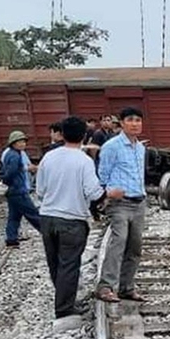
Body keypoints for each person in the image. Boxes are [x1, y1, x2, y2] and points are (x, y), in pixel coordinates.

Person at [36, 117, 109, 319]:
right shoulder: (83, 161)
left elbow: (40, 190)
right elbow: (93, 192)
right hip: (72, 218)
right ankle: (64, 308)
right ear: (84, 135)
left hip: (48, 216)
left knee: (54, 263)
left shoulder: (48, 157)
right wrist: (107, 195)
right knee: (69, 264)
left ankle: (62, 298)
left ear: (61, 134)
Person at [95, 107, 147, 303]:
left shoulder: (141, 148)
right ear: (122, 123)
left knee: (135, 246)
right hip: (119, 203)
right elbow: (103, 175)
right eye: (130, 120)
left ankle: (126, 287)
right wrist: (106, 196)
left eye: (138, 120)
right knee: (119, 241)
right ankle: (106, 286)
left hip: (139, 202)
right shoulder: (111, 146)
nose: (135, 124)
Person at [0, 131, 42, 248]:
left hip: (12, 191)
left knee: (14, 215)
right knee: (32, 213)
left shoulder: (9, 154)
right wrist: (8, 181)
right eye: (20, 142)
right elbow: (11, 172)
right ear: (13, 143)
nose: (23, 144)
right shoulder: (15, 156)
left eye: (24, 141)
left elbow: (4, 172)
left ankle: (11, 239)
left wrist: (5, 183)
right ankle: (48, 233)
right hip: (18, 190)